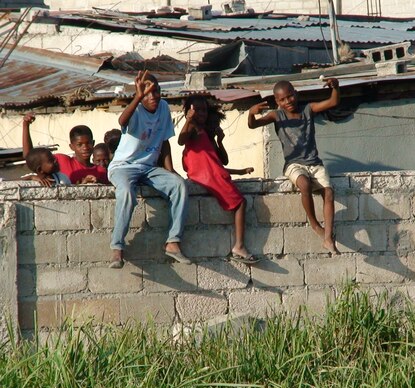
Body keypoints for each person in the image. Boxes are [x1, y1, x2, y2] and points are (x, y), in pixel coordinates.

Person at [248, 78, 340, 254]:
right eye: (282, 99)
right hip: (293, 164)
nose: (287, 102)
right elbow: (253, 125)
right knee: (304, 184)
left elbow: (333, 101)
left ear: (295, 94)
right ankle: (314, 224)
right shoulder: (277, 115)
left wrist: (335, 87)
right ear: (277, 101)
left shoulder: (308, 109)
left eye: (290, 97)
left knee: (328, 193)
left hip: (314, 163)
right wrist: (251, 114)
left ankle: (328, 239)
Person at [108, 70, 189, 269]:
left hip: (149, 168)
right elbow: (122, 122)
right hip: (124, 167)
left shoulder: (163, 108)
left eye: (156, 91)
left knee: (179, 186)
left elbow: (165, 141)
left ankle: (173, 242)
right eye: (147, 93)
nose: (152, 97)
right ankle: (117, 248)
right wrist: (137, 97)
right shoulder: (135, 110)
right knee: (126, 193)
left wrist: (170, 170)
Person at [179, 95, 257, 264]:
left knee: (240, 201)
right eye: (197, 110)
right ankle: (239, 246)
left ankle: (239, 246)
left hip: (210, 174)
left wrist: (220, 141)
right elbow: (180, 140)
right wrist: (188, 120)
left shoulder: (207, 137)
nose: (202, 113)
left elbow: (221, 162)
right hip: (208, 177)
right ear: (190, 111)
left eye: (204, 110)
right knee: (240, 202)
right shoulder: (192, 128)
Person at [22, 112, 109, 185]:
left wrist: (98, 183)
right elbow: (31, 157)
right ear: (71, 146)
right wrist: (26, 125)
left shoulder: (100, 170)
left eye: (88, 143)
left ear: (93, 143)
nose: (85, 148)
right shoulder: (62, 161)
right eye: (80, 145)